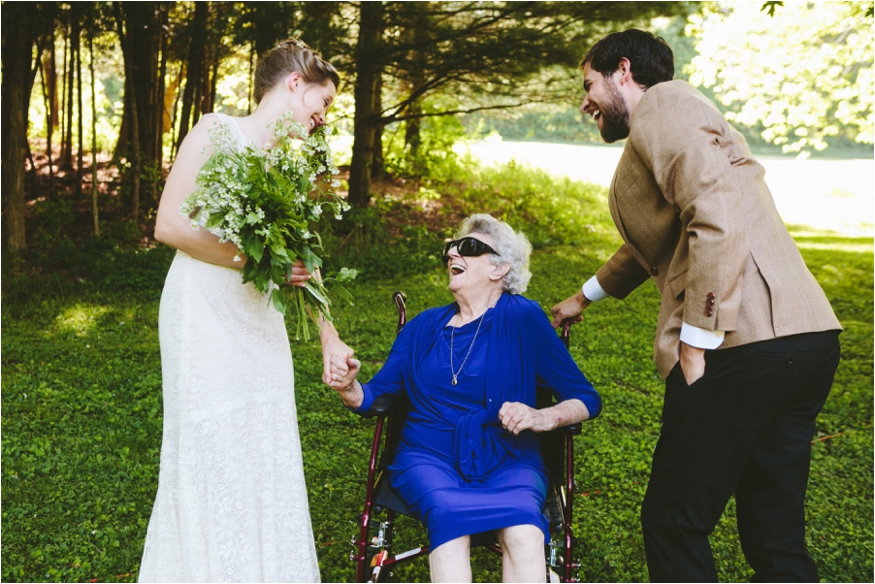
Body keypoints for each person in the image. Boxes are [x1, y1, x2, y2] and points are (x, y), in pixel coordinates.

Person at [550, 29, 842, 582]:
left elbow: (717, 217)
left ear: (624, 71)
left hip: (741, 345)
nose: (584, 99)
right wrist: (585, 295)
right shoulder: (682, 115)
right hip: (803, 341)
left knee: (673, 520)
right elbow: (664, 234)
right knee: (774, 534)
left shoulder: (665, 106)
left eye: (589, 83)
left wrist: (698, 339)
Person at [139, 39, 351, 583]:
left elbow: (304, 256)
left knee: (265, 438)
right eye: (322, 104)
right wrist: (254, 262)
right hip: (202, 310)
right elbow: (170, 226)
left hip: (260, 318)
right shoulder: (215, 131)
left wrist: (330, 339)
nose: (322, 119)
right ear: (295, 83)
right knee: (211, 440)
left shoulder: (289, 163)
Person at [325, 214, 602, 583]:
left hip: (509, 457)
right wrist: (348, 386)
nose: (453, 251)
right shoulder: (424, 326)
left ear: (500, 268)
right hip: (429, 456)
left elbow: (585, 397)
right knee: (451, 524)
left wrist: (543, 417)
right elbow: (375, 397)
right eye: (450, 248)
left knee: (525, 534)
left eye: (469, 248)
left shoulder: (524, 319)